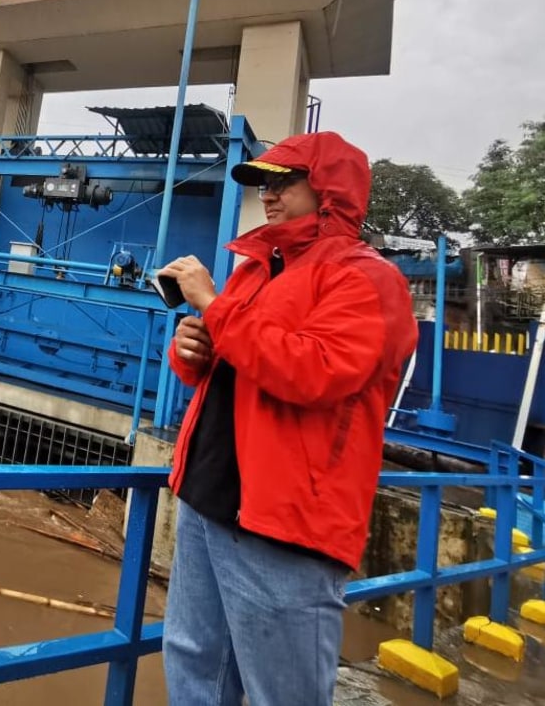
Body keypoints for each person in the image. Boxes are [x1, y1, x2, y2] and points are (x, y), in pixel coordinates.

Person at [158, 130, 418, 706]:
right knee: (193, 663)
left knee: (284, 692)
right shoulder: (258, 269)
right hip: (207, 495)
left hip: (285, 522)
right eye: (262, 184)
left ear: (327, 188)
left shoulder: (368, 278)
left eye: (283, 181)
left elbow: (315, 372)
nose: (268, 196)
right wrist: (191, 350)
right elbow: (237, 363)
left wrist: (212, 305)